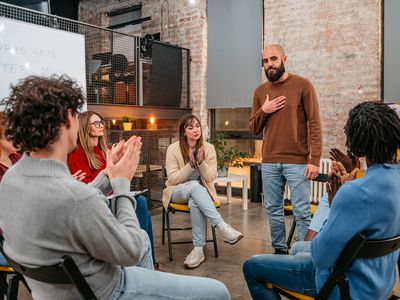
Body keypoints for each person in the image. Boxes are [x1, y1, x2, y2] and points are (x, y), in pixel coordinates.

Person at [0, 75, 230, 300]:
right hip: (107, 289)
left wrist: (108, 174)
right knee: (218, 291)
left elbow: (78, 197)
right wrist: (121, 185)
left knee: (141, 233)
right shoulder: (76, 197)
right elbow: (129, 251)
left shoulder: (11, 181)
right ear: (69, 120)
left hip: (51, 291)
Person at [243, 101, 400, 299]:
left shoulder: (355, 192)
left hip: (345, 286)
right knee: (298, 247)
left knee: (252, 267)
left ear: (356, 145)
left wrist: (335, 203)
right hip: (382, 283)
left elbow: (321, 257)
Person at [249, 44, 323, 254]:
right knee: (273, 210)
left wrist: (314, 159)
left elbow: (315, 123)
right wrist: (264, 110)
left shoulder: (303, 85)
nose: (269, 64)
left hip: (298, 161)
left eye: (273, 59)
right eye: (265, 61)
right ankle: (280, 251)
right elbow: (254, 128)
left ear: (284, 58)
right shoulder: (260, 92)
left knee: (301, 211)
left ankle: (304, 254)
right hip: (270, 161)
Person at [68, 111, 157, 266]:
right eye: (96, 123)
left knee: (143, 204)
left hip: (113, 195)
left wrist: (126, 154)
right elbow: (87, 185)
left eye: (101, 122)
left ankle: (147, 259)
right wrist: (111, 168)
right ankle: (138, 258)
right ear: (84, 127)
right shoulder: (77, 153)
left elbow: (119, 170)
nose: (101, 125)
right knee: (141, 205)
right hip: (97, 202)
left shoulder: (106, 149)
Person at [163, 113, 243, 269]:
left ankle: (198, 250)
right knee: (194, 186)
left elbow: (212, 177)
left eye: (197, 126)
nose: (195, 130)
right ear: (184, 131)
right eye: (190, 127)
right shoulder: (173, 148)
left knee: (195, 201)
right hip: (177, 192)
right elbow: (172, 179)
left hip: (201, 195)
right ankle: (222, 226)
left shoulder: (209, 148)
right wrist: (190, 166)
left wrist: (200, 163)